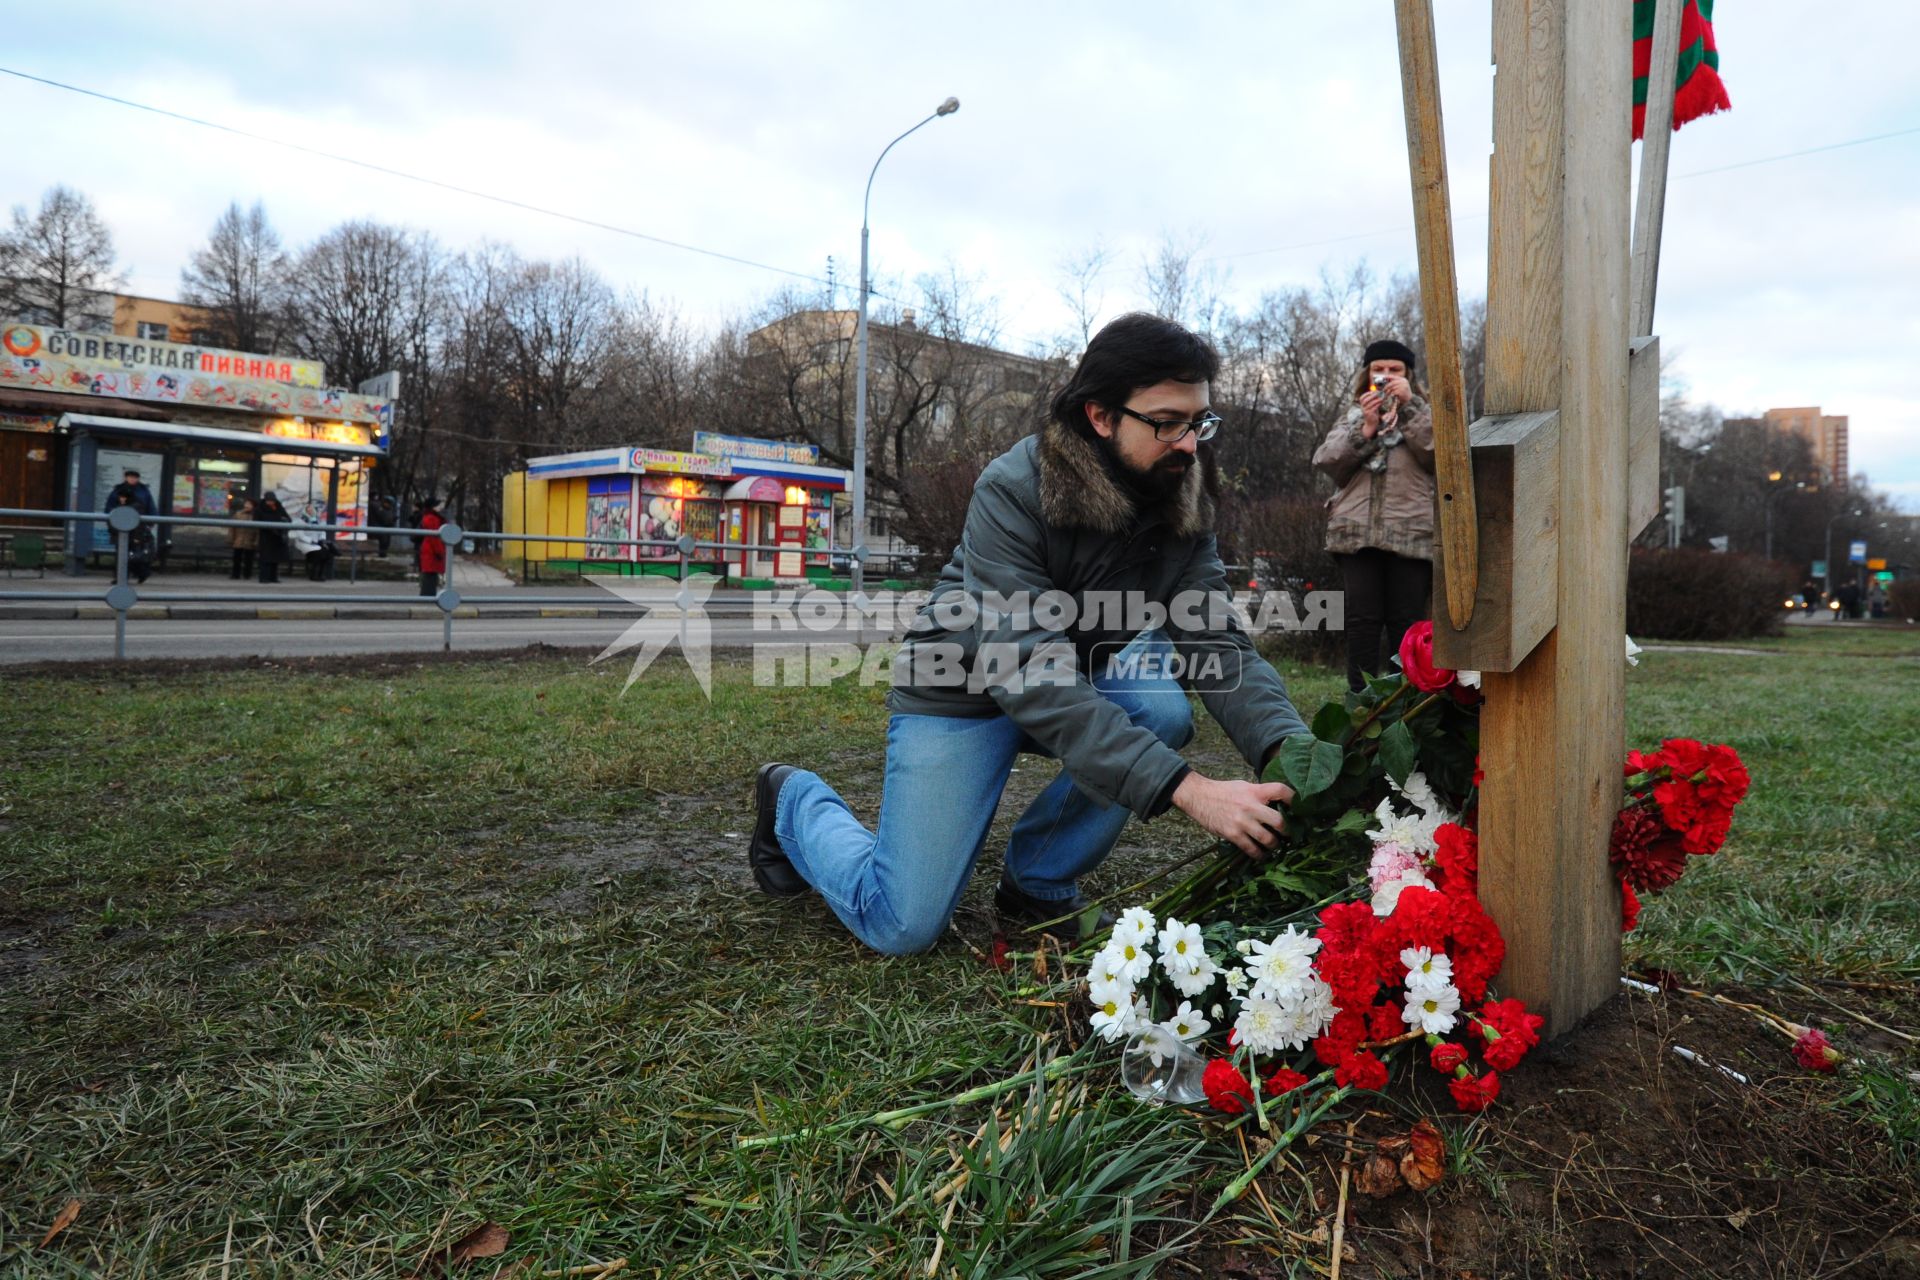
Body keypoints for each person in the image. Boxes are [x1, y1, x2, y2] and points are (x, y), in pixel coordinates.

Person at [749, 313, 1310, 955]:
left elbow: (1218, 644)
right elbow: (1027, 671)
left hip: (1074, 677)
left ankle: (1037, 882)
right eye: (1166, 423)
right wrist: (1187, 788)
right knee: (900, 923)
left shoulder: (1183, 491)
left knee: (1159, 709)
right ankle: (793, 800)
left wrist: (1293, 756)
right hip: (962, 691)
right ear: (1100, 416)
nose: (1189, 444)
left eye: (1199, 422)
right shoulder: (1015, 489)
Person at [1312, 339, 1436, 692]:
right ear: (1367, 374)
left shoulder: (1426, 411)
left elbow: (1439, 453)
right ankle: (1360, 708)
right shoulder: (1352, 415)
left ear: (1409, 375)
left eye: (1394, 370)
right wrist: (1365, 428)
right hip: (1356, 535)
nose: (1385, 376)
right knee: (1361, 623)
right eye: (1378, 369)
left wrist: (1409, 408)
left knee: (1407, 626)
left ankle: (1403, 707)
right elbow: (1327, 461)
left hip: (1411, 533)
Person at [111, 491, 154, 584]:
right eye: (121, 497)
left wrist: (137, 538)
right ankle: (122, 577)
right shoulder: (121, 506)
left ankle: (139, 574)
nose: (122, 499)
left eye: (124, 497)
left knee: (132, 557)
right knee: (126, 557)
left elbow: (138, 524)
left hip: (132, 536)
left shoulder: (135, 507)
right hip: (123, 535)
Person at [254, 494, 292, 584]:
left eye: (272, 500)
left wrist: (282, 523)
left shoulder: (279, 507)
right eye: (269, 500)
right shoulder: (260, 508)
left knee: (275, 559)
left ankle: (273, 577)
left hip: (278, 537)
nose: (270, 502)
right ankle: (264, 578)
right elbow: (256, 521)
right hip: (266, 536)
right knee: (265, 559)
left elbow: (288, 519)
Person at [417, 496, 447, 597]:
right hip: (432, 551)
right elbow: (434, 537)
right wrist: (440, 552)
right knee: (430, 574)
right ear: (433, 507)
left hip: (430, 549)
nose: (440, 507)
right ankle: (427, 597)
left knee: (431, 574)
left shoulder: (430, 517)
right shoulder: (432, 518)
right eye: (438, 505)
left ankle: (428, 596)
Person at [228, 497, 258, 580]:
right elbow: (232, 528)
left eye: (249, 504)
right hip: (239, 539)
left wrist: (256, 541)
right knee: (237, 558)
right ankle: (235, 574)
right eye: (246, 503)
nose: (247, 505)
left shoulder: (255, 515)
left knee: (249, 559)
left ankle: (247, 575)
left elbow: (258, 530)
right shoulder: (238, 514)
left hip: (250, 540)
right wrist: (231, 539)